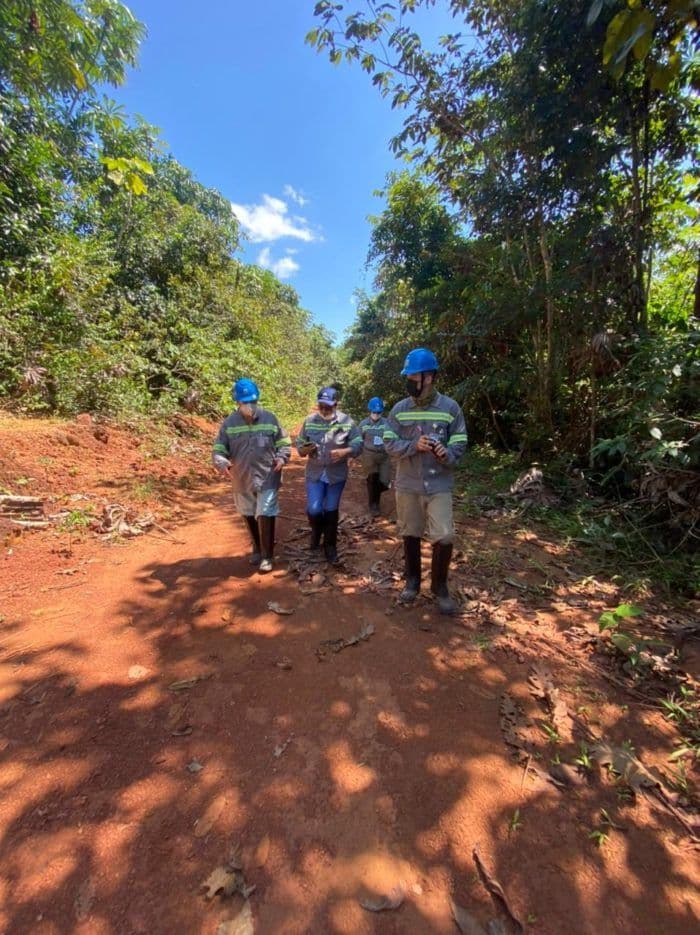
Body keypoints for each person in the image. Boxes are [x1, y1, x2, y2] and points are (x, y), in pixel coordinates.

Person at [383, 348, 467, 614]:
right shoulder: (399, 409)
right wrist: (412, 445)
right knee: (410, 532)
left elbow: (460, 441)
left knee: (444, 535)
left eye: (413, 376)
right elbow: (388, 442)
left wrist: (447, 453)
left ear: (428, 377)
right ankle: (412, 582)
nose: (409, 381)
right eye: (408, 376)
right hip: (408, 483)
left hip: (439, 484)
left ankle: (440, 587)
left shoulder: (450, 408)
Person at [212, 378, 291, 573]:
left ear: (257, 400)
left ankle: (267, 556)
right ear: (237, 402)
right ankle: (256, 547)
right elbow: (219, 448)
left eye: (252, 402)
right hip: (241, 477)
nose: (249, 406)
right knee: (247, 513)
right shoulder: (229, 423)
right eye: (244, 402)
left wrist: (282, 458)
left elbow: (284, 443)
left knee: (266, 512)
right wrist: (220, 461)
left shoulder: (271, 419)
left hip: (268, 475)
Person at [296, 387, 362, 564]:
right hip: (315, 472)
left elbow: (358, 443)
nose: (324, 410)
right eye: (321, 406)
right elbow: (300, 445)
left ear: (336, 405)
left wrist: (345, 451)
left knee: (331, 509)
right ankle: (317, 531)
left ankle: (330, 545)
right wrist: (304, 449)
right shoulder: (309, 421)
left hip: (336, 474)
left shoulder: (347, 422)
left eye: (328, 407)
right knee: (314, 509)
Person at [357, 396, 391, 517]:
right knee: (372, 479)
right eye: (374, 412)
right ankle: (373, 505)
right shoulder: (363, 424)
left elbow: (392, 438)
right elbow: (358, 440)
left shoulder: (387, 423)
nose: (376, 414)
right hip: (369, 455)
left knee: (384, 482)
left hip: (384, 456)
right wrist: (353, 454)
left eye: (378, 412)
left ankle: (375, 491)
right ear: (369, 411)